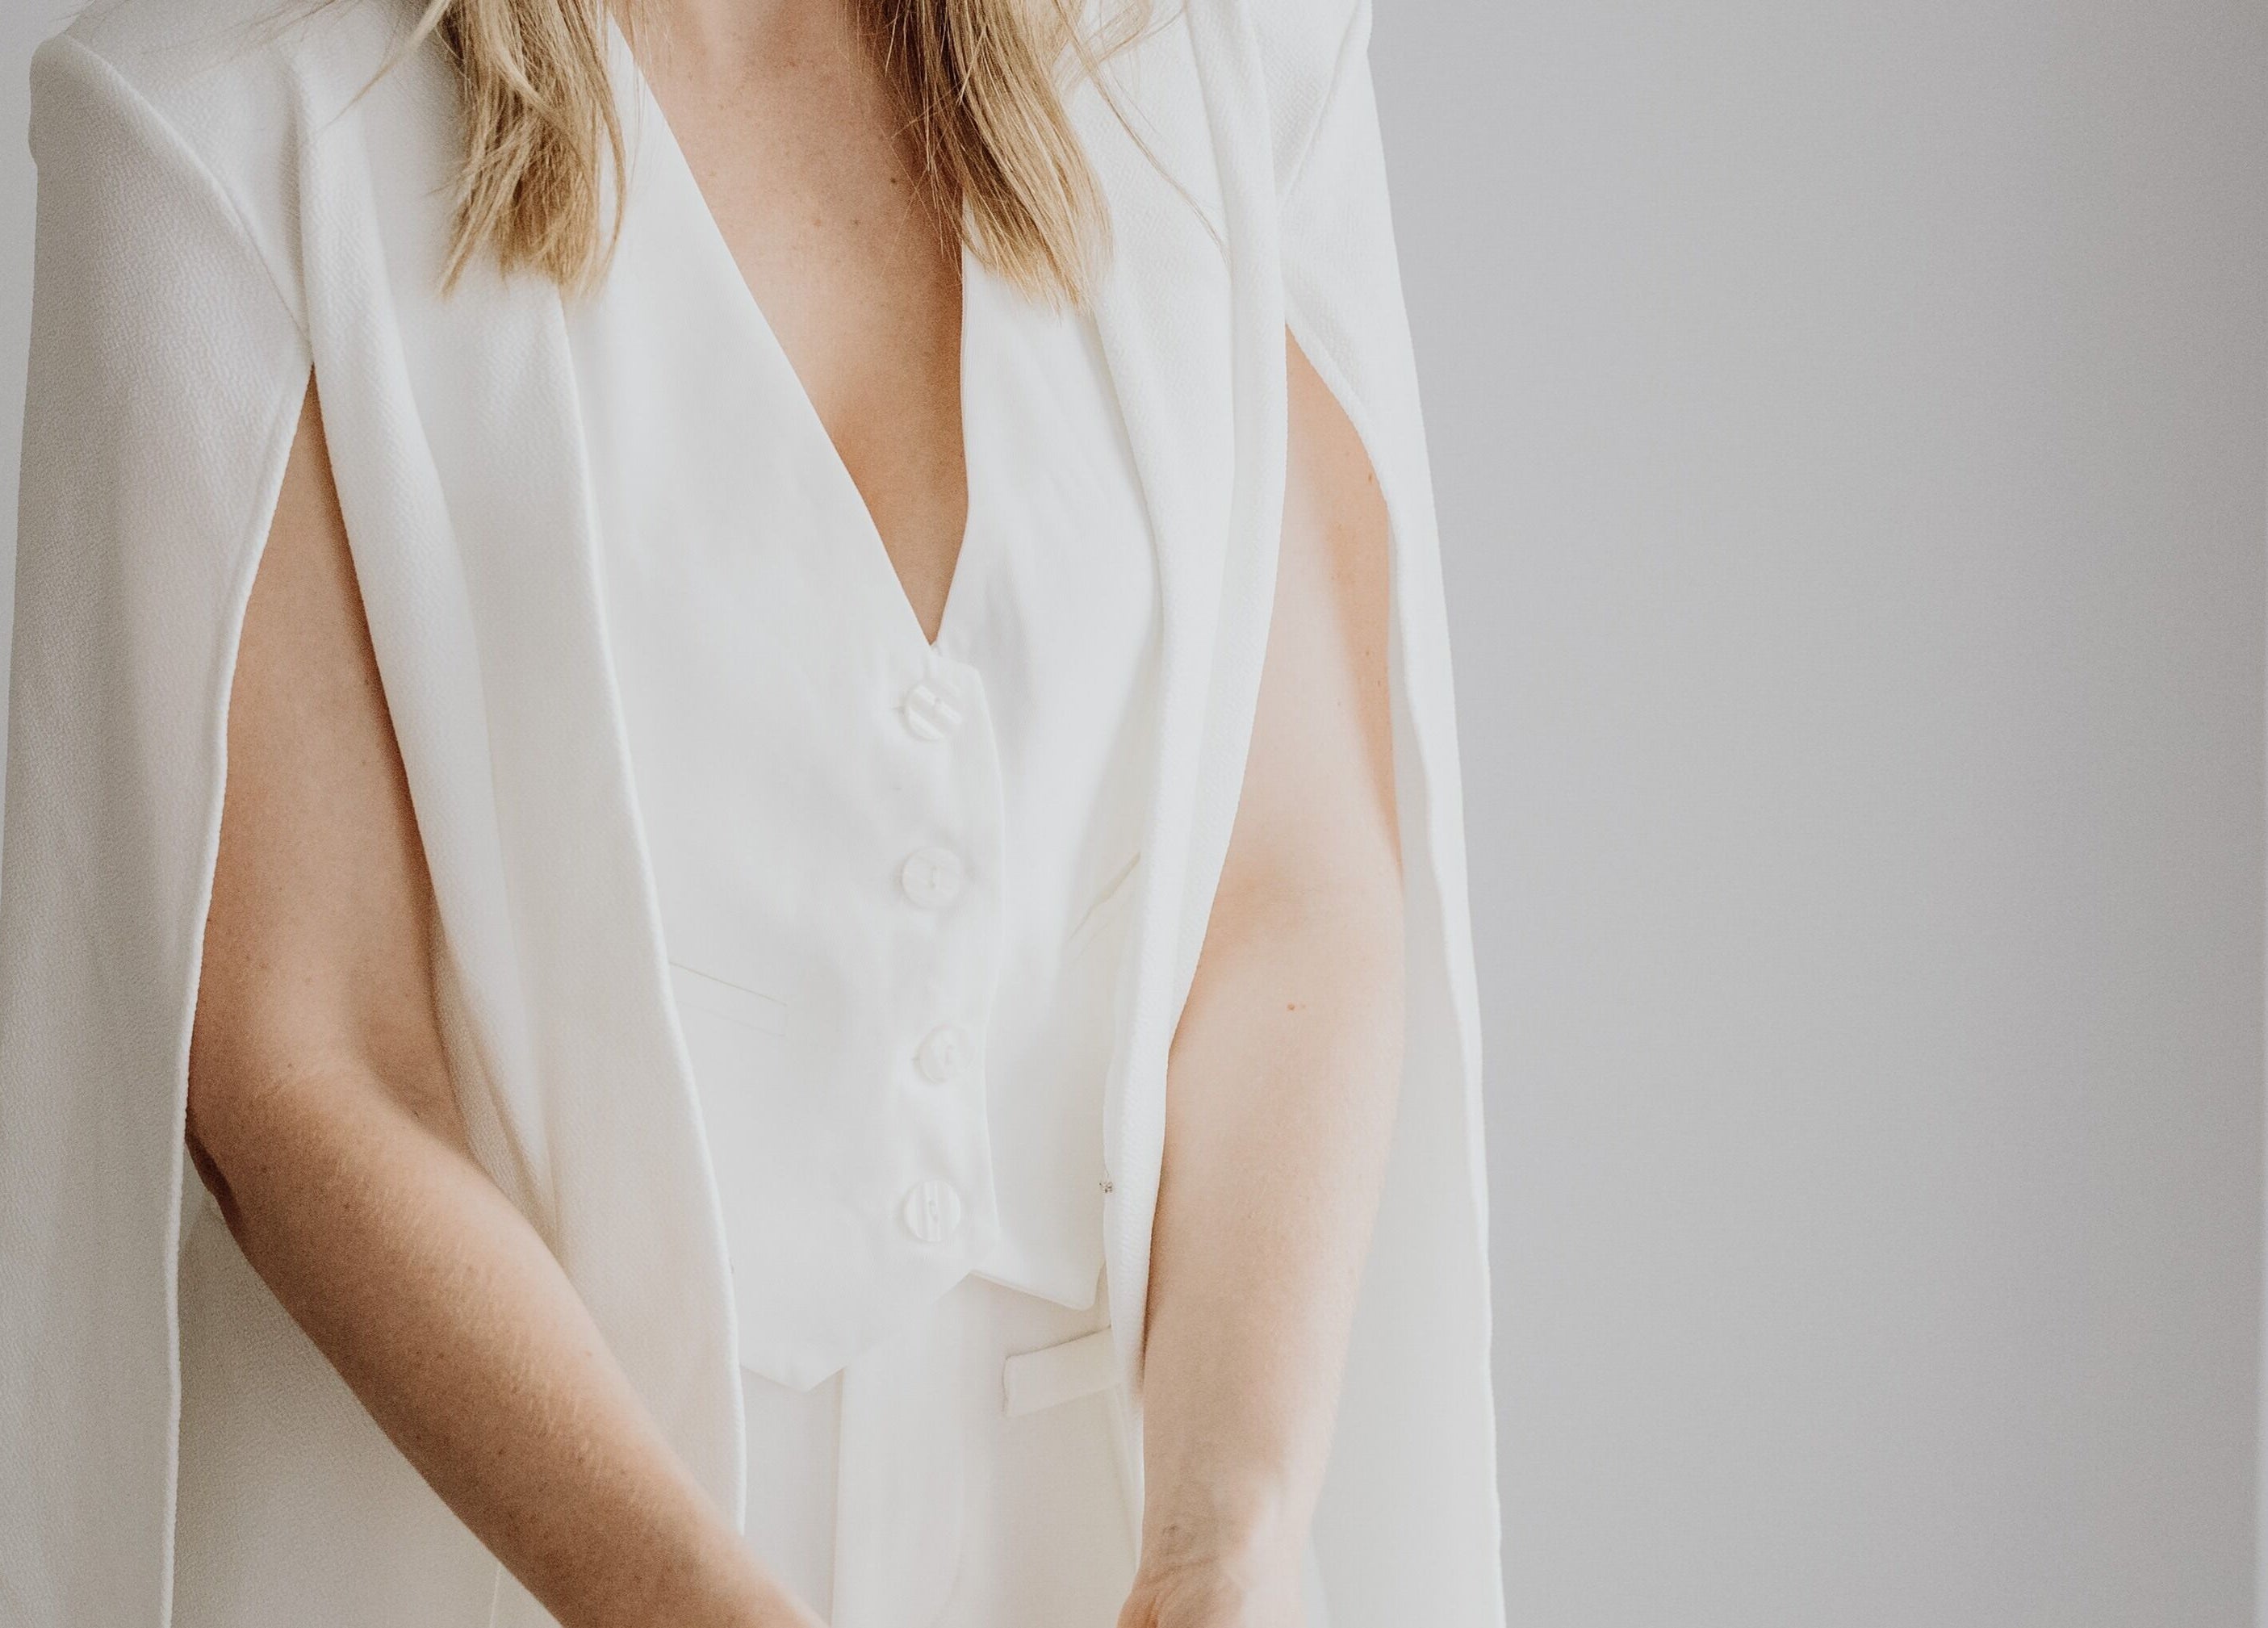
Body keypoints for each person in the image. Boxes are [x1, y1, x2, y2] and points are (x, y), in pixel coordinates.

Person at [0, 0, 1501, 1622]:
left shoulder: (1205, 55)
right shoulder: (230, 117)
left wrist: (1229, 1530)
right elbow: (306, 1059)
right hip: (502, 1547)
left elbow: (1294, 875)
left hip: (1094, 1538)